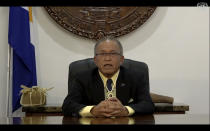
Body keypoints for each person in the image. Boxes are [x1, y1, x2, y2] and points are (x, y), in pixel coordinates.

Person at [62, 36, 155, 117]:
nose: (107, 59)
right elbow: (68, 106)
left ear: (121, 59)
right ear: (95, 60)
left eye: (113, 53)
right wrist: (92, 110)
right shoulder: (82, 78)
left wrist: (126, 110)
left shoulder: (136, 77)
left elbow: (148, 105)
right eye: (102, 54)